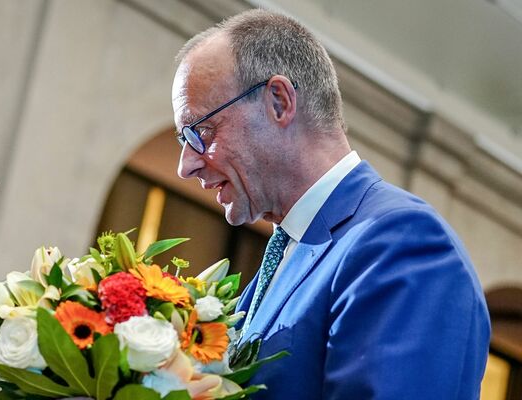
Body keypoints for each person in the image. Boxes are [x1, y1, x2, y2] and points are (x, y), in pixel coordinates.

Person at [172, 9, 490, 399]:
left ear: (278, 102)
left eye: (201, 131)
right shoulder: (286, 256)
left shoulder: (403, 244)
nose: (186, 165)